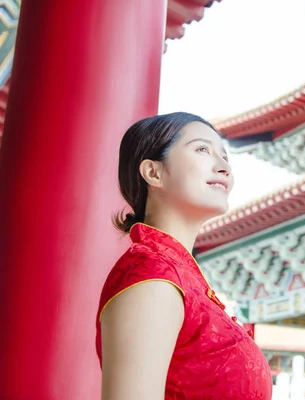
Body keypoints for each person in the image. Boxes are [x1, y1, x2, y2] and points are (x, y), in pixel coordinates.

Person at [96, 112, 272, 400]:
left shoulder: (181, 277)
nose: (224, 167)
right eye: (203, 149)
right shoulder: (151, 275)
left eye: (225, 156)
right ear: (154, 173)